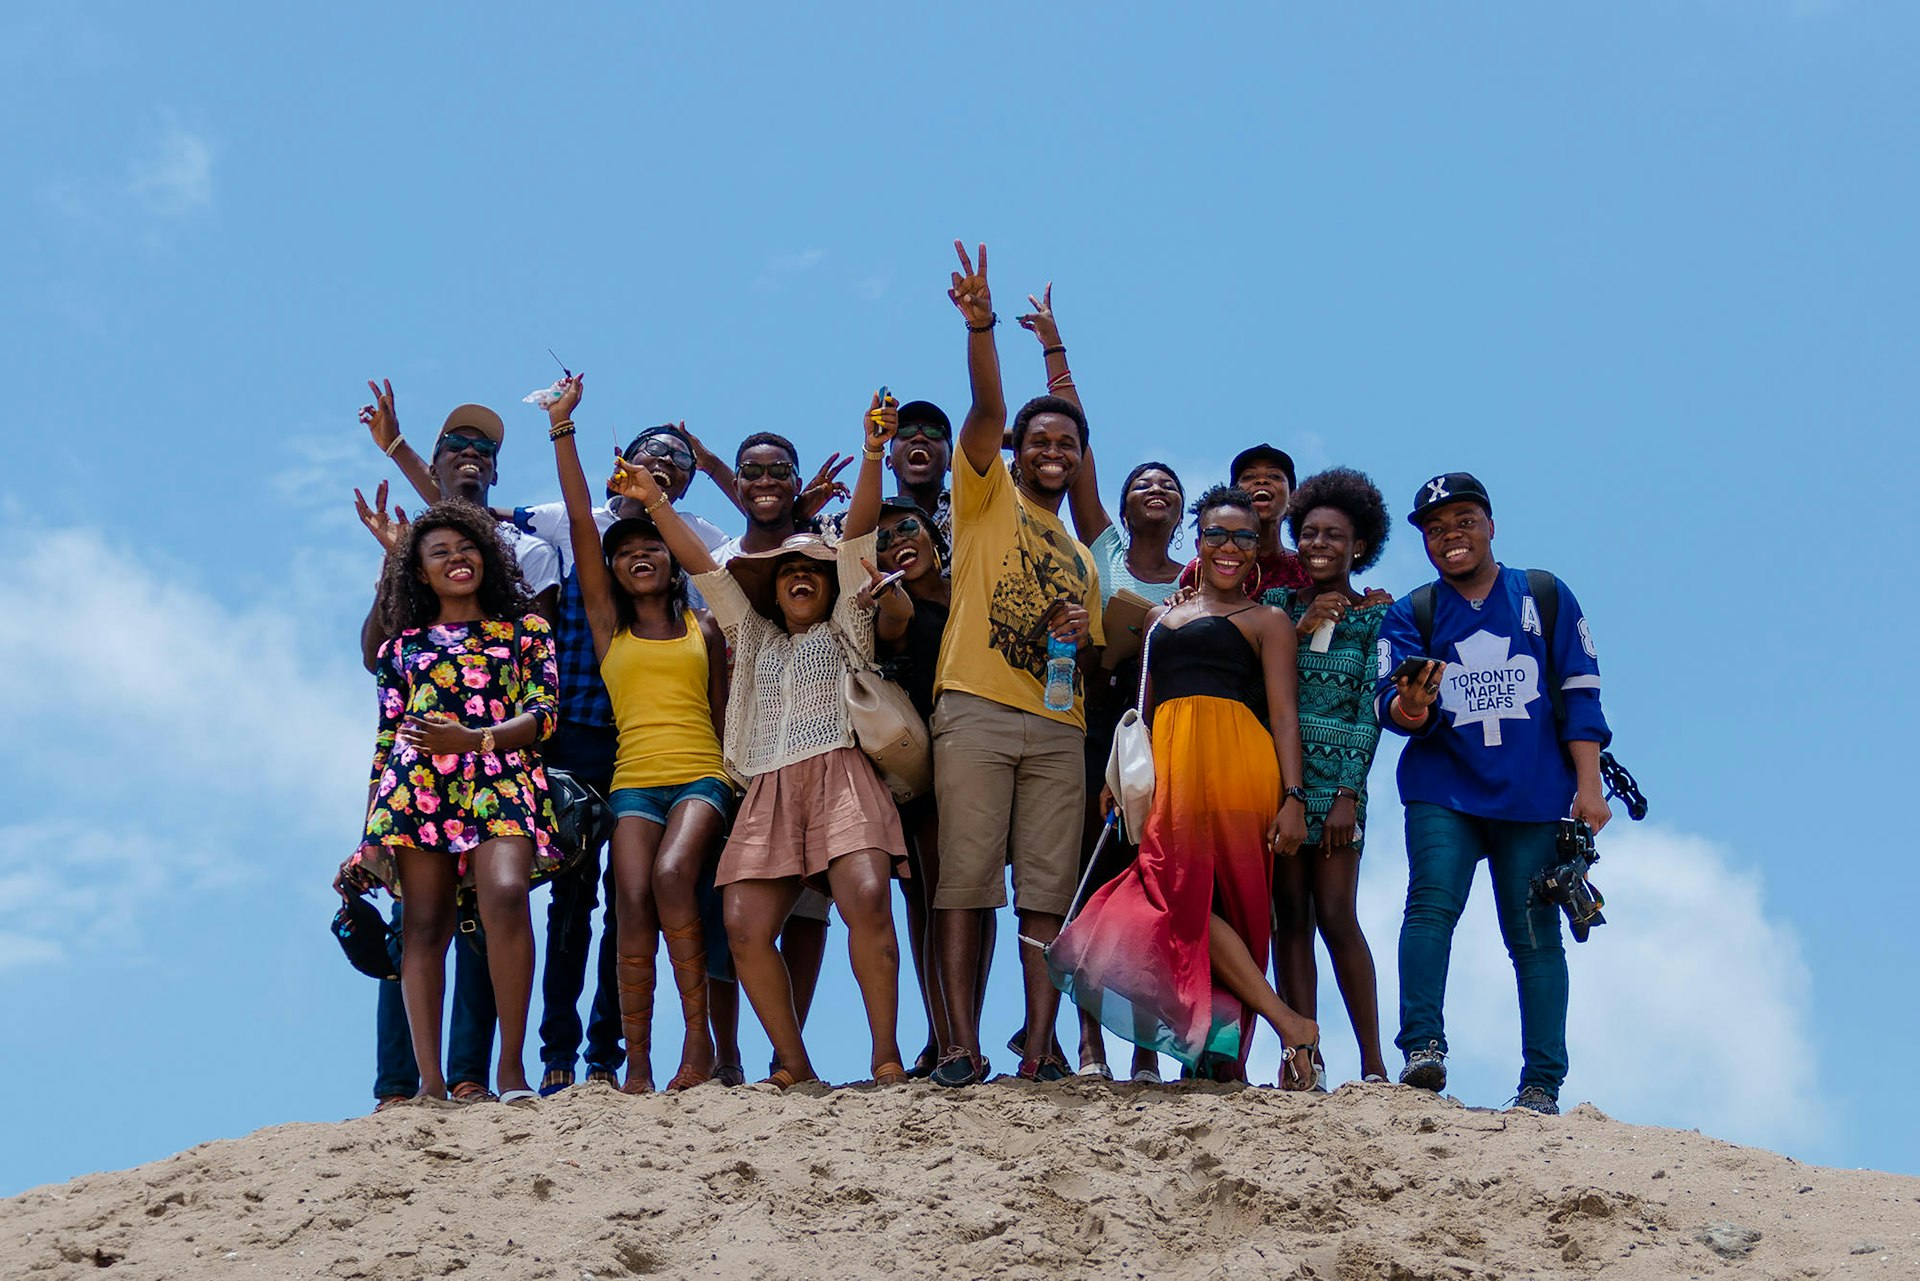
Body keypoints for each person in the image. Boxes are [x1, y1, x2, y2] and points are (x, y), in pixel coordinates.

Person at [611, 395, 911, 1087]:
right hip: (766, 786)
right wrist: (656, 502)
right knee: (744, 922)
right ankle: (795, 1064)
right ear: (772, 588)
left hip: (840, 774)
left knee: (867, 897)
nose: (800, 574)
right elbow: (707, 569)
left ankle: (886, 1055)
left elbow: (859, 533)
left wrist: (872, 451)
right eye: (787, 571)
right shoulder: (751, 632)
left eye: (811, 566)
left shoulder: (847, 628)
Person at [1048, 485, 1318, 1085]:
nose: (1229, 547)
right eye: (1217, 535)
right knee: (1171, 899)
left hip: (1237, 768)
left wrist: (1294, 797)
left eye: (1243, 537)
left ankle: (1224, 1057)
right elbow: (1139, 712)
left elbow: (1283, 714)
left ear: (1257, 547)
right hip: (1169, 768)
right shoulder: (1158, 618)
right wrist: (1120, 781)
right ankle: (1286, 1025)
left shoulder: (1268, 621)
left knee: (1228, 906)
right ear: (1197, 542)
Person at [509, 419, 734, 1094]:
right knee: (578, 903)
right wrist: (560, 427)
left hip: (689, 767)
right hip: (589, 745)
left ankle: (628, 1054)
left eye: (654, 549)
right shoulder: (607, 621)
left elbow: (731, 572)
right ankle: (567, 1055)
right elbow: (580, 517)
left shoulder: (704, 616)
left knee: (644, 893)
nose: (642, 555)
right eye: (626, 551)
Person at [1376, 472, 1612, 1115]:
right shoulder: (1413, 612)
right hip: (1443, 790)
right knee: (1429, 907)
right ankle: (1422, 1047)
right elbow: (1390, 709)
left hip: (1535, 794)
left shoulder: (1544, 595)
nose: (1450, 536)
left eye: (1463, 521)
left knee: (1534, 935)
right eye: (1434, 528)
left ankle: (1541, 1084)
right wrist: (1414, 703)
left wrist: (1589, 788)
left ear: (1490, 524)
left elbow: (1580, 694)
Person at [930, 242, 1105, 1087]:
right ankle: (959, 1043)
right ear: (1016, 449)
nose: (1054, 450)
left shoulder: (1084, 555)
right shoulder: (985, 493)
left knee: (1046, 891)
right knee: (966, 882)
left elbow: (1095, 646)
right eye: (1041, 439)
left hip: (1058, 723)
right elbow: (988, 409)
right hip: (975, 705)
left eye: (1068, 443)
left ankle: (1038, 1047)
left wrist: (1077, 628)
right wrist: (984, 327)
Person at [1022, 282, 1184, 1084]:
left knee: (1151, 893)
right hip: (1100, 726)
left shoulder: (1201, 578)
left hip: (1173, 741)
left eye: (1167, 485)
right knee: (1091, 883)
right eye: (1140, 483)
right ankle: (1087, 1045)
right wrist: (1056, 349)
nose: (1153, 489)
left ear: (1184, 508)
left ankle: (1148, 1048)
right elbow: (1079, 444)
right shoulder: (1106, 551)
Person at [348, 500, 560, 1103]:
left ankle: (512, 1071)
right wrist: (367, 836)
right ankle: (432, 1085)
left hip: (503, 775)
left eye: (465, 548)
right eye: (438, 552)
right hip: (416, 788)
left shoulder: (525, 629)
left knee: (506, 896)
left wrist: (474, 740)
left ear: (487, 557)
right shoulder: (400, 648)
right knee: (423, 927)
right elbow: (386, 739)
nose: (455, 558)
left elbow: (545, 717)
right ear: (417, 572)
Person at [1262, 467, 1395, 1088]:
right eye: (1308, 533)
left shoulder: (1375, 619)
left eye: (1334, 536)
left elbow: (1369, 709)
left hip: (1340, 788)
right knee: (1290, 918)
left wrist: (1348, 794)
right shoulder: (1278, 609)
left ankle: (1372, 1061)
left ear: (1359, 546)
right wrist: (1304, 622)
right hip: (1283, 783)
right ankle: (1303, 1057)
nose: (1318, 544)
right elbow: (1261, 683)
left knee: (1337, 915)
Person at [870, 497, 993, 1078]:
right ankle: (946, 1038)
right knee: (933, 898)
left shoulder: (974, 586)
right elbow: (893, 617)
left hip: (987, 752)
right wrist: (886, 591)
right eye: (884, 538)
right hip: (923, 763)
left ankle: (959, 1030)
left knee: (978, 897)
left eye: (907, 528)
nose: (897, 541)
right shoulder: (890, 606)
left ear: (935, 533)